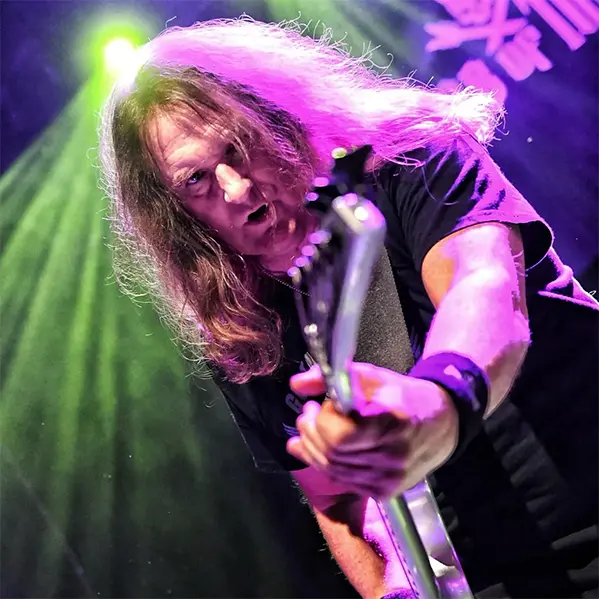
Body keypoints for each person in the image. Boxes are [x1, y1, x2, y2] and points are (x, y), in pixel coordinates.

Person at [99, 17, 599, 599]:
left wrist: (439, 403)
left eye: (237, 147)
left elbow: (483, 283)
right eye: (196, 181)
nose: (236, 189)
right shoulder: (240, 329)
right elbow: (338, 503)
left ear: (277, 116)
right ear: (175, 213)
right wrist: (391, 588)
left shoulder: (414, 159)